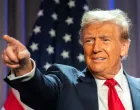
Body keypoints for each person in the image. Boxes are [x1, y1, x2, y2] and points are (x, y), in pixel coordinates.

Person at [1, 9, 140, 110]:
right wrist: (23, 67)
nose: (96, 48)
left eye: (105, 40)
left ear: (124, 47)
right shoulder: (65, 83)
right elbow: (39, 91)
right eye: (89, 40)